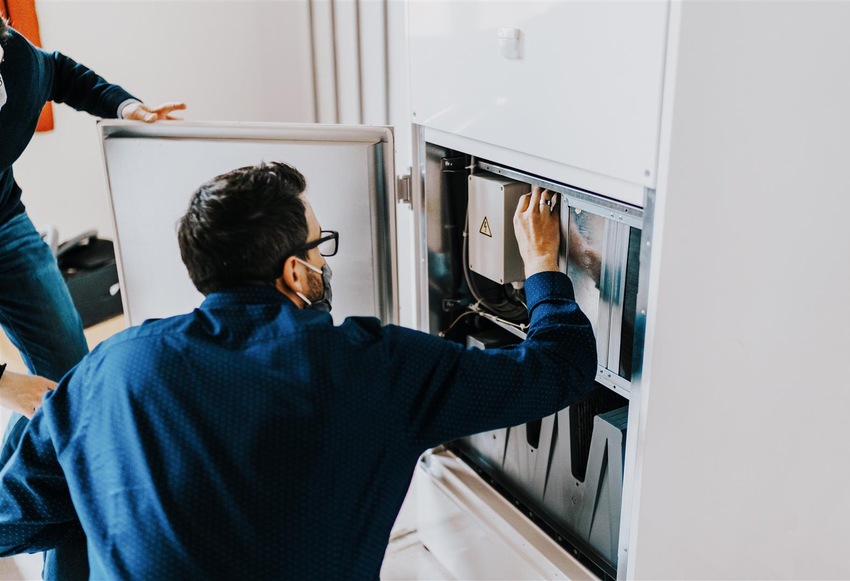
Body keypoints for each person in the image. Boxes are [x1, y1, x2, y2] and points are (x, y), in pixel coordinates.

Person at [0, 162, 597, 579]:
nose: (322, 260)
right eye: (320, 247)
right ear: (294, 273)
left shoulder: (111, 367)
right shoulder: (372, 366)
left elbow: (13, 522)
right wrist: (542, 263)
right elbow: (558, 370)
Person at [0, 16, 185, 579]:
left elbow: (59, 72)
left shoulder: (15, 54)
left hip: (5, 223)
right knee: (34, 395)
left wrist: (127, 108)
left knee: (69, 388)